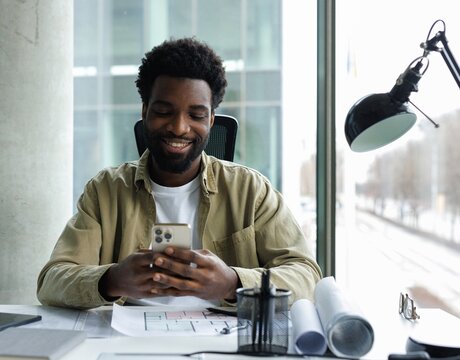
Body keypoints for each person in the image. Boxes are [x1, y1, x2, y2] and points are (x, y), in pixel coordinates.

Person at [37, 37, 322, 309]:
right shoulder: (105, 191)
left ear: (211, 120)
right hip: (128, 339)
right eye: (164, 111)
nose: (179, 127)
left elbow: (306, 276)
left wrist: (233, 283)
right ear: (145, 111)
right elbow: (52, 281)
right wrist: (111, 280)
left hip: (221, 339)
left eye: (196, 115)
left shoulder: (251, 190)